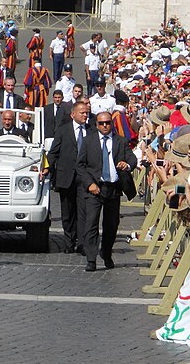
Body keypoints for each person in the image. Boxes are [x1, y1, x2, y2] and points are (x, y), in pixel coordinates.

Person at [76, 111, 136, 271]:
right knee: (91, 223)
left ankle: (106, 252)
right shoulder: (89, 141)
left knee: (111, 224)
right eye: (101, 123)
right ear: (96, 125)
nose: (105, 126)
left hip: (113, 188)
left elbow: (132, 159)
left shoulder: (120, 141)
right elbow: (80, 166)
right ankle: (91, 258)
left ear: (112, 124)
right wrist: (89, 184)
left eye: (107, 123)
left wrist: (127, 165)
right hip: (94, 188)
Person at [48, 100, 90, 254]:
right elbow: (54, 152)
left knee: (83, 211)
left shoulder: (91, 130)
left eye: (87, 112)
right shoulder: (63, 130)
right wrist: (46, 168)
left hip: (85, 178)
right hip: (66, 177)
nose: (85, 115)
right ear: (73, 114)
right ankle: (69, 242)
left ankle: (82, 243)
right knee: (67, 212)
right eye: (82, 112)